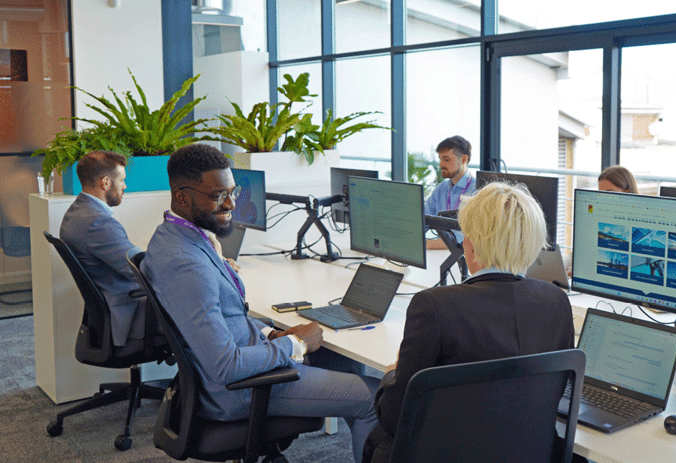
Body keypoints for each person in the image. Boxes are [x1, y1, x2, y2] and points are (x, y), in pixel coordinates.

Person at [141, 144, 379, 463]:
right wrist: (294, 344)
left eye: (233, 191)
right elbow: (225, 365)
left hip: (239, 367)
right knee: (377, 398)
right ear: (181, 196)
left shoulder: (173, 237)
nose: (230, 203)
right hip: (240, 389)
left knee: (345, 363)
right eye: (217, 195)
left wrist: (270, 334)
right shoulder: (187, 264)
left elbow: (228, 316)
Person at [363, 182, 575, 463]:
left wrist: (393, 373)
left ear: (470, 244)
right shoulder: (556, 302)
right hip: (529, 451)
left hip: (446, 454)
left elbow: (394, 416)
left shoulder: (433, 306)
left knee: (377, 437)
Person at [60, 150, 147, 346]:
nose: (125, 186)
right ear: (106, 182)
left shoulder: (76, 212)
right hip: (130, 312)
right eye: (122, 180)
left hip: (112, 307)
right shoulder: (98, 222)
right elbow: (141, 268)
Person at [425, 135, 475, 250]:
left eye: (446, 159)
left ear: (463, 160)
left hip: (466, 256)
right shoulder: (441, 189)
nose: (441, 165)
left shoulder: (478, 191)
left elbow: (468, 238)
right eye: (440, 159)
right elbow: (424, 220)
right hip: (439, 253)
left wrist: (426, 244)